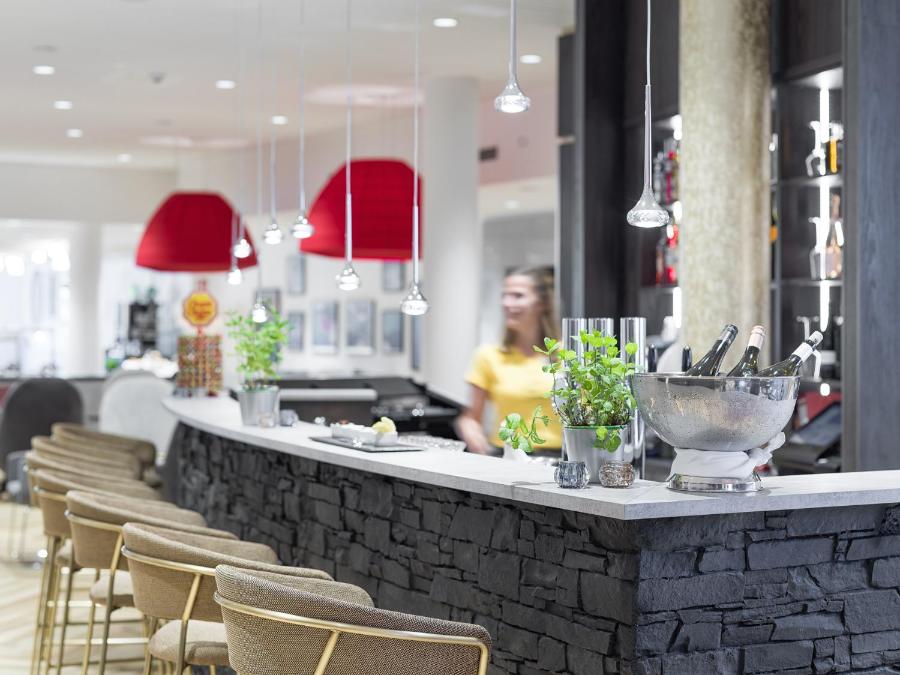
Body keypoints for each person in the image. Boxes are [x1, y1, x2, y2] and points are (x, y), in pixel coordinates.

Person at [455, 266, 562, 455]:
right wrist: (471, 433)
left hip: (558, 459)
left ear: (543, 303)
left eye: (517, 296)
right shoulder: (488, 355)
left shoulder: (567, 355)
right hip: (506, 456)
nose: (506, 303)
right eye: (504, 296)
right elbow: (471, 418)